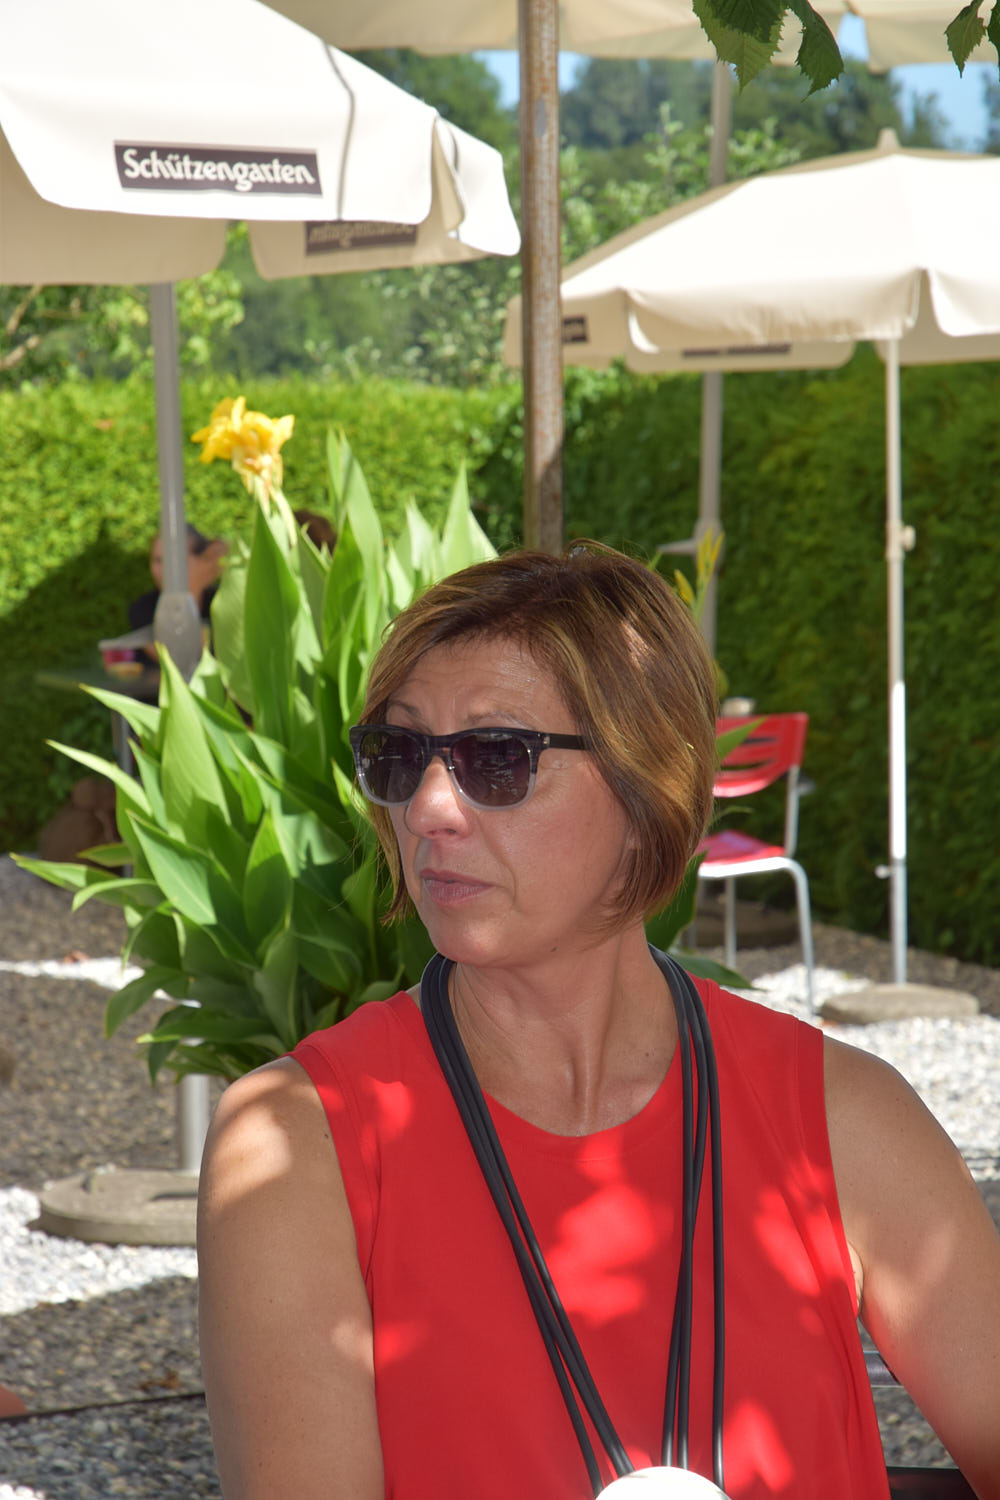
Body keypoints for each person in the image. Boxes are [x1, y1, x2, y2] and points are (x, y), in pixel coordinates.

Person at [197, 544, 1000, 1500]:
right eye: (401, 756)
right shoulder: (296, 1146)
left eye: (498, 757)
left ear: (647, 787)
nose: (429, 808)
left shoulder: (839, 1117)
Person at [127, 522, 228, 634]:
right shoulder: (143, 608)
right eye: (158, 560)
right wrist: (194, 587)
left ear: (200, 560)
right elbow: (178, 641)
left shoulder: (224, 603)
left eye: (173, 560)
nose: (165, 569)